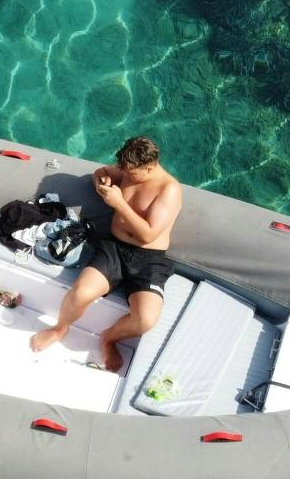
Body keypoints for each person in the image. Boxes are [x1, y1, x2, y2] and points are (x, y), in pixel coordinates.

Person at [28, 136, 184, 372]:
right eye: (124, 170)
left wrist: (119, 203)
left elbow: (148, 235)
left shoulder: (168, 190)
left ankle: (109, 338)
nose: (126, 175)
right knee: (81, 292)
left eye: (131, 173)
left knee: (145, 320)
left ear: (150, 167)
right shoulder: (129, 169)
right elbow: (101, 171)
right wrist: (102, 179)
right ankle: (60, 328)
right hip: (113, 248)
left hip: (148, 259)